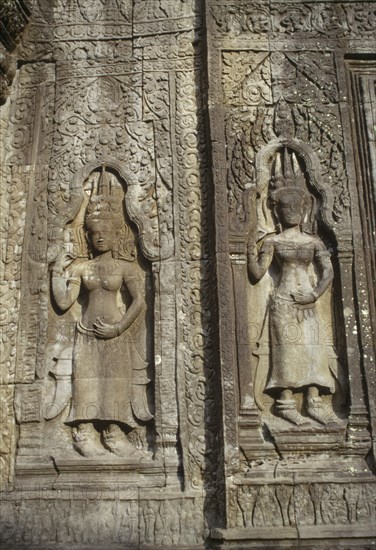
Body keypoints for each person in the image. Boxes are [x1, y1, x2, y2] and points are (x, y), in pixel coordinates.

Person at [51, 173, 152, 457]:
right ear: (89, 236)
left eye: (106, 231)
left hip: (115, 333)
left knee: (115, 382)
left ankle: (113, 432)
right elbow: (63, 303)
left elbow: (140, 302)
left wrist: (119, 328)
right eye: (95, 233)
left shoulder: (126, 267)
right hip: (86, 332)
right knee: (86, 382)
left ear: (118, 233)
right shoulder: (82, 268)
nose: (100, 236)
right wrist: (55, 275)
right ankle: (84, 433)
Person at [247, 185, 338, 425]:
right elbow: (257, 274)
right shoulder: (273, 241)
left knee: (312, 350)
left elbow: (328, 272)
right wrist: (248, 248)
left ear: (304, 209)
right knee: (287, 352)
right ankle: (285, 403)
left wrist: (315, 294)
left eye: (296, 207)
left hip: (307, 301)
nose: (291, 212)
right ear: (277, 212)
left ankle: (313, 401)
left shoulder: (313, 241)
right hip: (284, 301)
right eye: (286, 207)